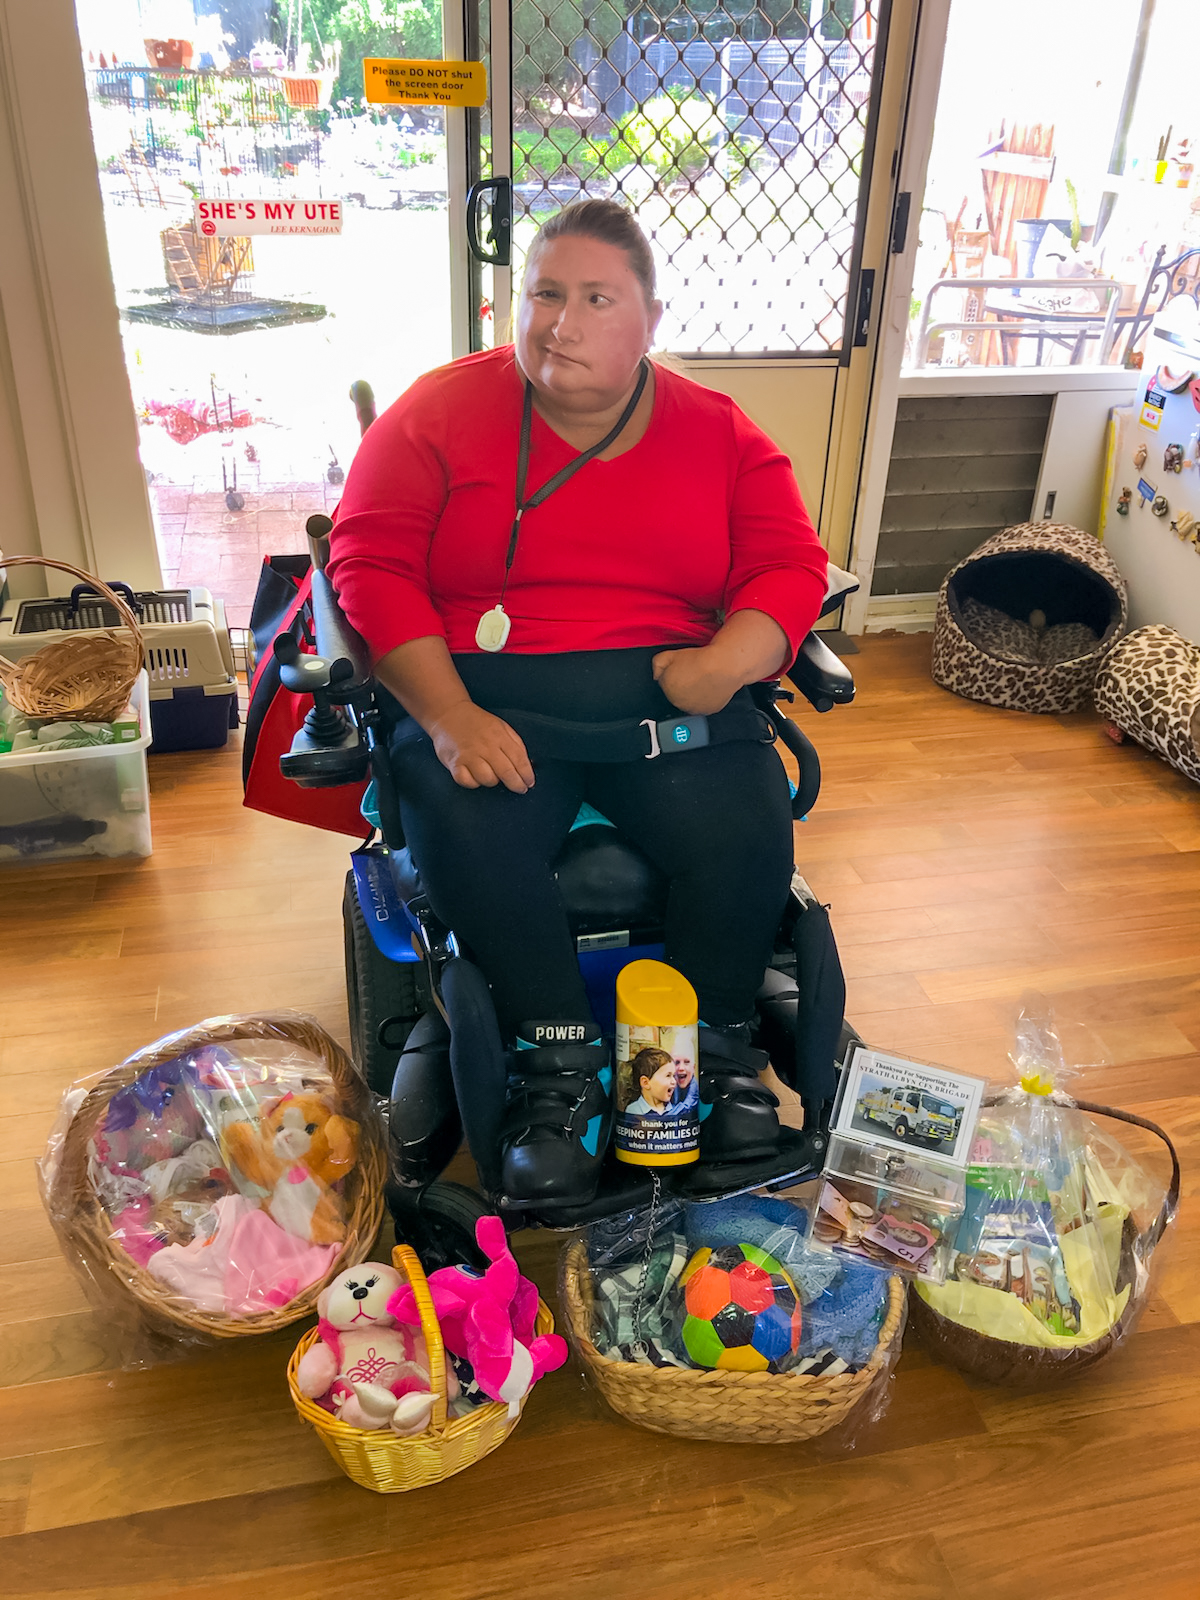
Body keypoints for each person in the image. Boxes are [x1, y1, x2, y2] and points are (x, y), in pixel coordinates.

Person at [327, 198, 828, 1208]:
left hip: (667, 702)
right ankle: (556, 1071)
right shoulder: (434, 413)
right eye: (544, 294)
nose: (561, 322)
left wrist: (729, 661)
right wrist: (444, 715)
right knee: (472, 821)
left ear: (650, 318)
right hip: (485, 697)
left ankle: (714, 1052)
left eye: (597, 298)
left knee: (742, 821)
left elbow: (789, 566)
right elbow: (368, 564)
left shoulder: (718, 433)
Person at [623, 1047, 679, 1117]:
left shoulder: (675, 1110)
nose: (674, 1081)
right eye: (668, 1075)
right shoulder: (633, 1110)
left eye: (673, 1075)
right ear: (645, 1082)